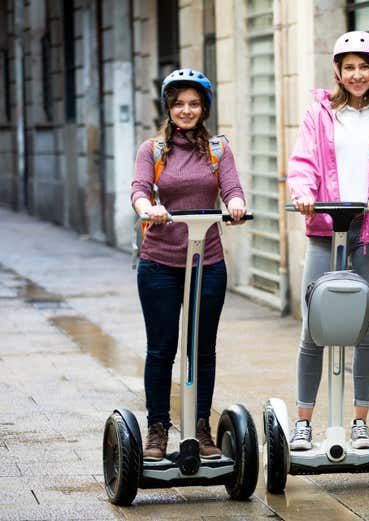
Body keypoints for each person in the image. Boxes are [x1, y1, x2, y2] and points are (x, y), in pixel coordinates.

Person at [286, 31, 369, 450]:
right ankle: (302, 422)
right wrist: (303, 194)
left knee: (366, 329)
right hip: (325, 228)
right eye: (349, 67)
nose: (357, 74)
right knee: (314, 326)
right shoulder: (319, 113)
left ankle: (359, 422)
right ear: (337, 70)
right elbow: (303, 161)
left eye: (364, 67)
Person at [130, 68, 247, 461]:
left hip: (207, 262)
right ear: (168, 107)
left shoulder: (218, 150)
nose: (186, 110)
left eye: (193, 103)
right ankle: (157, 429)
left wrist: (234, 205)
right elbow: (140, 189)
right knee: (162, 350)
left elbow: (231, 188)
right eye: (178, 103)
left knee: (202, 350)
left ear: (204, 108)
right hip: (160, 263)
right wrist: (149, 208)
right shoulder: (153, 150)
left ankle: (200, 427)